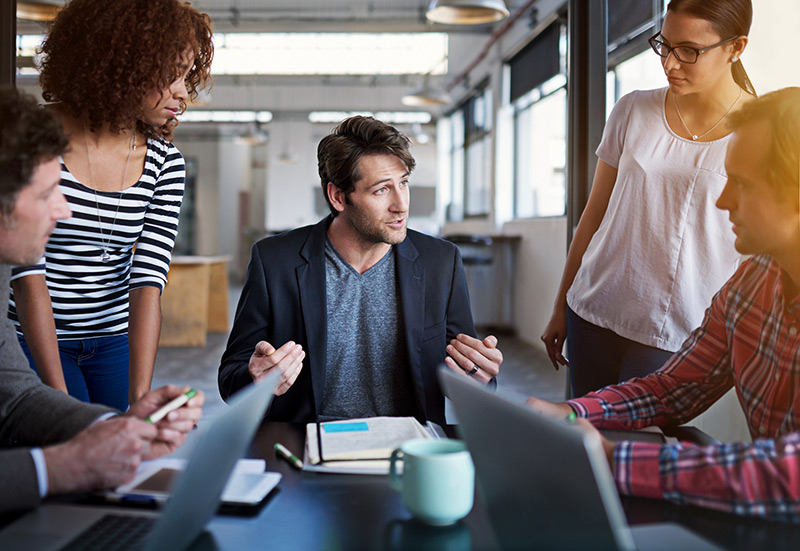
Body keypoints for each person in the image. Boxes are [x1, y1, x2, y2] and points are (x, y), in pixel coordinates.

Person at [528, 87, 800, 522]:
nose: (724, 200)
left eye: (743, 184)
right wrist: (569, 413)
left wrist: (612, 460)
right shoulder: (752, 285)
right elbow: (673, 387)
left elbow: (790, 473)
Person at [0, 86, 205, 515]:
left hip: (108, 337)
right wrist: (57, 466)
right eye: (45, 195)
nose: (65, 210)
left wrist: (119, 426)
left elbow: (15, 396)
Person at [218, 116, 503, 424]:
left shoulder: (440, 261)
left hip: (408, 446)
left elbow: (464, 372)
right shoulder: (275, 261)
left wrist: (479, 375)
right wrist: (256, 378)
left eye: (403, 183)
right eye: (381, 190)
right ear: (338, 197)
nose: (401, 204)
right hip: (307, 445)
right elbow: (231, 379)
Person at [541, 0, 756, 396]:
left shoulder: (757, 132)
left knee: (638, 449)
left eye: (689, 51)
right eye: (665, 45)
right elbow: (593, 215)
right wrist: (559, 307)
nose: (670, 64)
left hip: (676, 330)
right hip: (592, 310)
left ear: (735, 47)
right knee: (586, 442)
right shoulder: (633, 109)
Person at [8, 0, 214, 411]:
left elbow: (148, 279)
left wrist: (141, 400)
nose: (181, 92)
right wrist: (60, 405)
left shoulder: (164, 161)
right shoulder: (36, 139)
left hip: (112, 340)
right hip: (35, 335)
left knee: (125, 446)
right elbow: (28, 276)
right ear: (120, 65)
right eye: (170, 74)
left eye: (186, 76)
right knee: (74, 443)